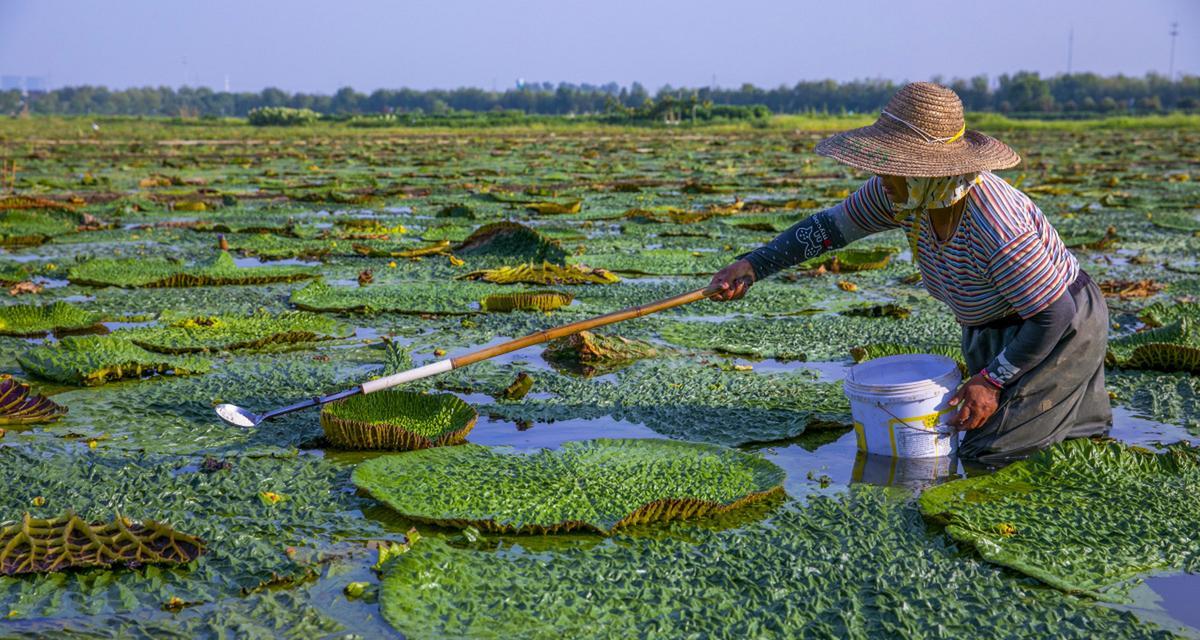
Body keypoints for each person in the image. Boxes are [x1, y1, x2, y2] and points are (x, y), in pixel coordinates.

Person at [708, 82, 1111, 464]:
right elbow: (829, 230)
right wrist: (754, 264)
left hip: (1058, 327)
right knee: (1051, 440)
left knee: (992, 455)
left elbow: (1052, 314)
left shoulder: (994, 222)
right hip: (992, 326)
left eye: (894, 165)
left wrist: (990, 380)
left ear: (929, 171)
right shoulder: (900, 194)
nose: (882, 175)